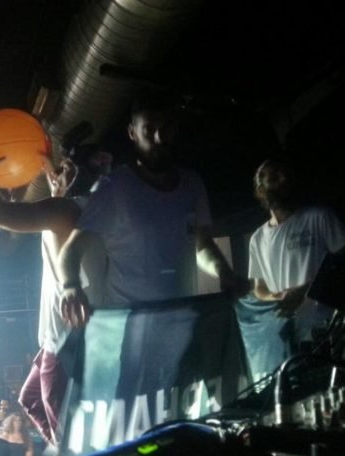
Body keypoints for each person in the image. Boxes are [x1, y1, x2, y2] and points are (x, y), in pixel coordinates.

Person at [60, 90, 244, 326]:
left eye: (165, 128)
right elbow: (71, 250)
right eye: (148, 129)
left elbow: (202, 245)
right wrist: (70, 286)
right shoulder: (114, 188)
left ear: (175, 130)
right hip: (129, 326)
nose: (158, 138)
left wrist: (225, 273)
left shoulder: (192, 184)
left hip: (180, 322)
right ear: (132, 133)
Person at [0, 144, 107, 445]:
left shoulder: (67, 211)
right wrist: (59, 191)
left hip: (63, 343)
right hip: (57, 340)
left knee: (67, 436)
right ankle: (62, 451)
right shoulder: (91, 212)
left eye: (66, 167)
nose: (59, 171)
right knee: (30, 399)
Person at [248, 157, 345, 342]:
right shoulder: (257, 239)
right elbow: (259, 289)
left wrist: (303, 290)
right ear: (260, 191)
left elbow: (342, 263)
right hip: (288, 336)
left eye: (286, 175)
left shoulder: (319, 217)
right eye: (274, 177)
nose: (283, 179)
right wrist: (276, 297)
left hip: (326, 329)